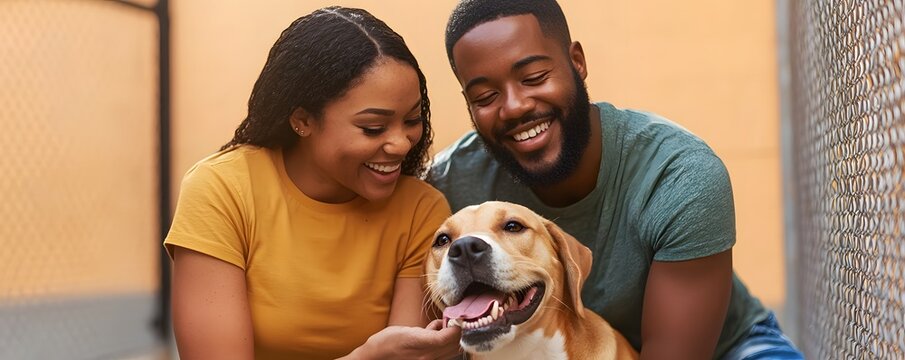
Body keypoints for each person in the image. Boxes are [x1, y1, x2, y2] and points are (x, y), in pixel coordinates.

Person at [428, 0, 804, 359]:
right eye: (486, 96)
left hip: (722, 350)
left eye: (534, 77)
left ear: (577, 62)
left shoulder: (678, 174)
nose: (514, 106)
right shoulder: (446, 185)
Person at [164, 6, 462, 360]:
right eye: (373, 128)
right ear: (303, 120)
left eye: (412, 119)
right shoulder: (223, 189)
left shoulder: (421, 210)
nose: (401, 143)